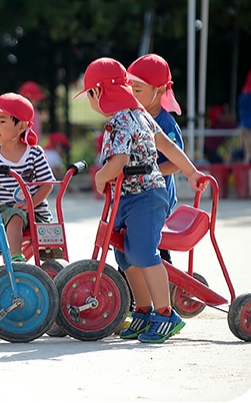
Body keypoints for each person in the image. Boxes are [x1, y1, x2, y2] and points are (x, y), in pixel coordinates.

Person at [74, 57, 207, 344]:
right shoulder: (139, 114)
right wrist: (191, 171)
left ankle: (165, 313)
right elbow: (165, 146)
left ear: (98, 93)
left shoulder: (120, 121)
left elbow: (119, 161)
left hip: (145, 197)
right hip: (128, 195)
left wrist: (100, 178)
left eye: (89, 97)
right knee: (125, 254)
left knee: (144, 254)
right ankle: (143, 310)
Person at [0, 93, 55, 262]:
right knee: (16, 215)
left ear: (21, 126)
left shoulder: (34, 153)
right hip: (5, 211)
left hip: (36, 209)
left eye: (2, 121)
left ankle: (52, 268)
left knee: (52, 234)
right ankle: (16, 258)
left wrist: (30, 203)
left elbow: (47, 184)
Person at [127, 53, 182, 264]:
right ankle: (130, 284)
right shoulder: (133, 118)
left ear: (159, 90)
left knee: (153, 244)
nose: (132, 93)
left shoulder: (166, 124)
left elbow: (177, 162)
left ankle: (163, 277)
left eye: (138, 89)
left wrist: (150, 172)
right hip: (136, 191)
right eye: (130, 87)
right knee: (129, 240)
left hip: (157, 197)